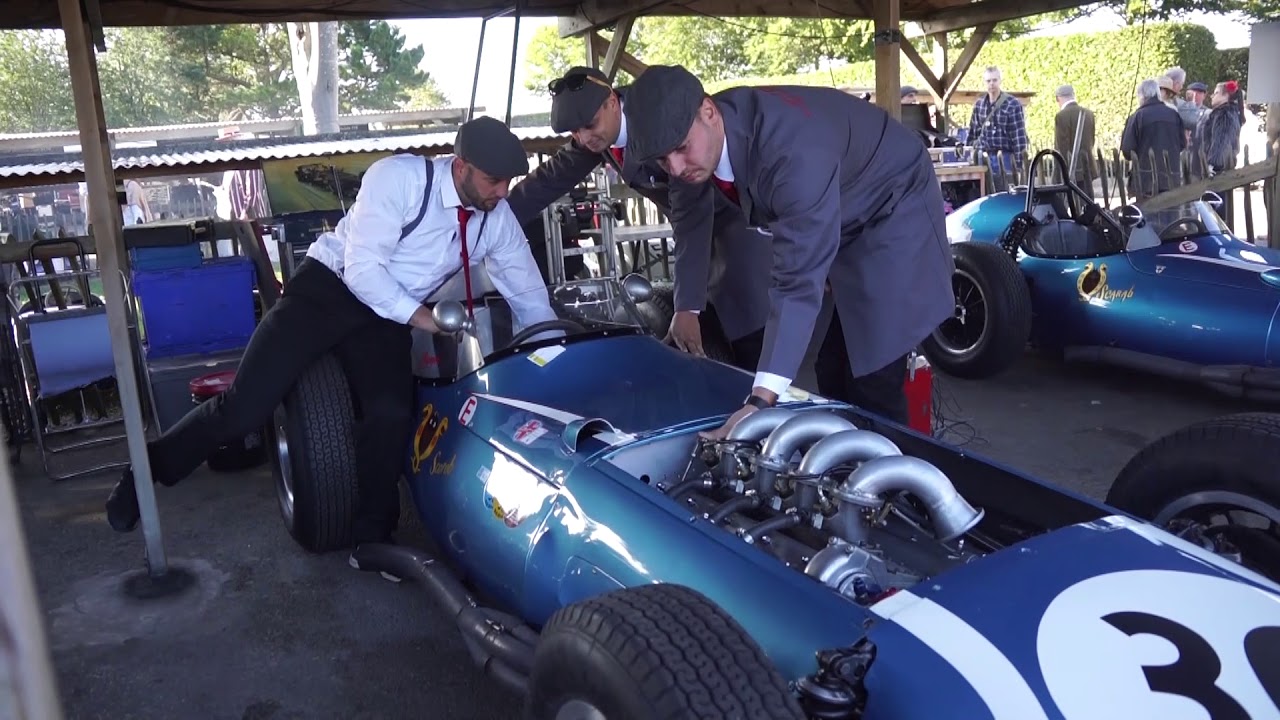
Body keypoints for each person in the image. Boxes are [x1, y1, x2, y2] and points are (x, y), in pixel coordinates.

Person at [104, 116, 555, 575]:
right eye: (493, 181)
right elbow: (363, 272)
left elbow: (530, 298)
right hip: (328, 290)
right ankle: (145, 472)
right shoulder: (398, 178)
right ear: (460, 167)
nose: (502, 192)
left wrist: (552, 359)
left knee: (391, 414)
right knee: (245, 408)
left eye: (507, 183)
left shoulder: (494, 220)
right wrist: (424, 320)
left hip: (385, 316)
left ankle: (372, 538)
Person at [622, 65, 955, 438]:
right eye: (664, 161)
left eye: (681, 150)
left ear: (709, 112)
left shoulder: (790, 152)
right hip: (843, 209)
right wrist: (687, 306)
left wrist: (761, 401)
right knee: (833, 369)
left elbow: (796, 283)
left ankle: (900, 484)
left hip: (894, 207)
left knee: (874, 374)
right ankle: (847, 465)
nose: (676, 168)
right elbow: (691, 221)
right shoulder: (690, 144)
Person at [505, 66, 772, 372]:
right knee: (714, 348)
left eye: (588, 125)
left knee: (753, 343)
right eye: (574, 132)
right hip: (697, 245)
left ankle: (773, 409)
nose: (583, 137)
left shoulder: (655, 114)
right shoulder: (599, 136)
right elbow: (549, 179)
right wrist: (491, 218)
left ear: (611, 101)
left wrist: (686, 306)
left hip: (737, 233)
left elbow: (691, 211)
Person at [1053, 84, 1096, 197]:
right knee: (1087, 201)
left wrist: (1059, 172)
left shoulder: (1061, 116)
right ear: (1073, 95)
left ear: (1058, 98)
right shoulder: (1089, 113)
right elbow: (1092, 140)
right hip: (1087, 166)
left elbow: (1061, 146)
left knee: (1071, 204)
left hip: (1071, 169)